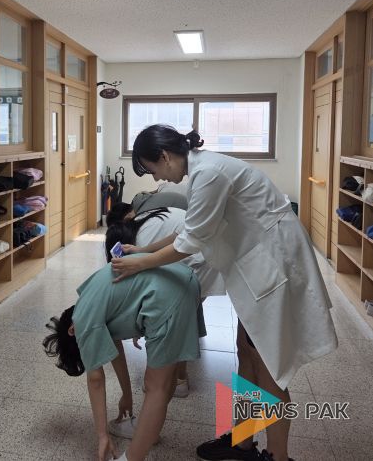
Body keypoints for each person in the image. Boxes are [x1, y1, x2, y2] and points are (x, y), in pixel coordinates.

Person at [111, 124, 338, 461]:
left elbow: (190, 242)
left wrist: (140, 264)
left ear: (164, 156)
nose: (157, 178)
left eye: (153, 168)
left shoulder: (209, 173)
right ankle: (243, 442)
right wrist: (141, 251)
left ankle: (278, 456)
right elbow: (190, 229)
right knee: (245, 352)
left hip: (273, 264)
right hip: (257, 265)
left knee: (268, 365)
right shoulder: (202, 170)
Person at [43, 256, 206, 461]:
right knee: (167, 377)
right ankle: (147, 429)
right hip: (184, 280)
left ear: (72, 331)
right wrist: (126, 395)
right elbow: (116, 350)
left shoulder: (82, 318)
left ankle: (133, 455)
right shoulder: (93, 299)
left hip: (167, 296)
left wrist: (102, 435)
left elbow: (96, 379)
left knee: (155, 386)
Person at [105, 207, 226, 400]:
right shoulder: (143, 224)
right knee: (182, 317)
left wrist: (137, 323)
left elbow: (151, 282)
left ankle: (176, 380)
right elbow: (176, 237)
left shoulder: (142, 240)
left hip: (201, 258)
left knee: (177, 319)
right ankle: (175, 378)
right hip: (203, 248)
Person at [106, 190, 187, 227]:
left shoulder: (143, 214)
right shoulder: (139, 200)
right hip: (186, 205)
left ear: (127, 218)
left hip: (188, 216)